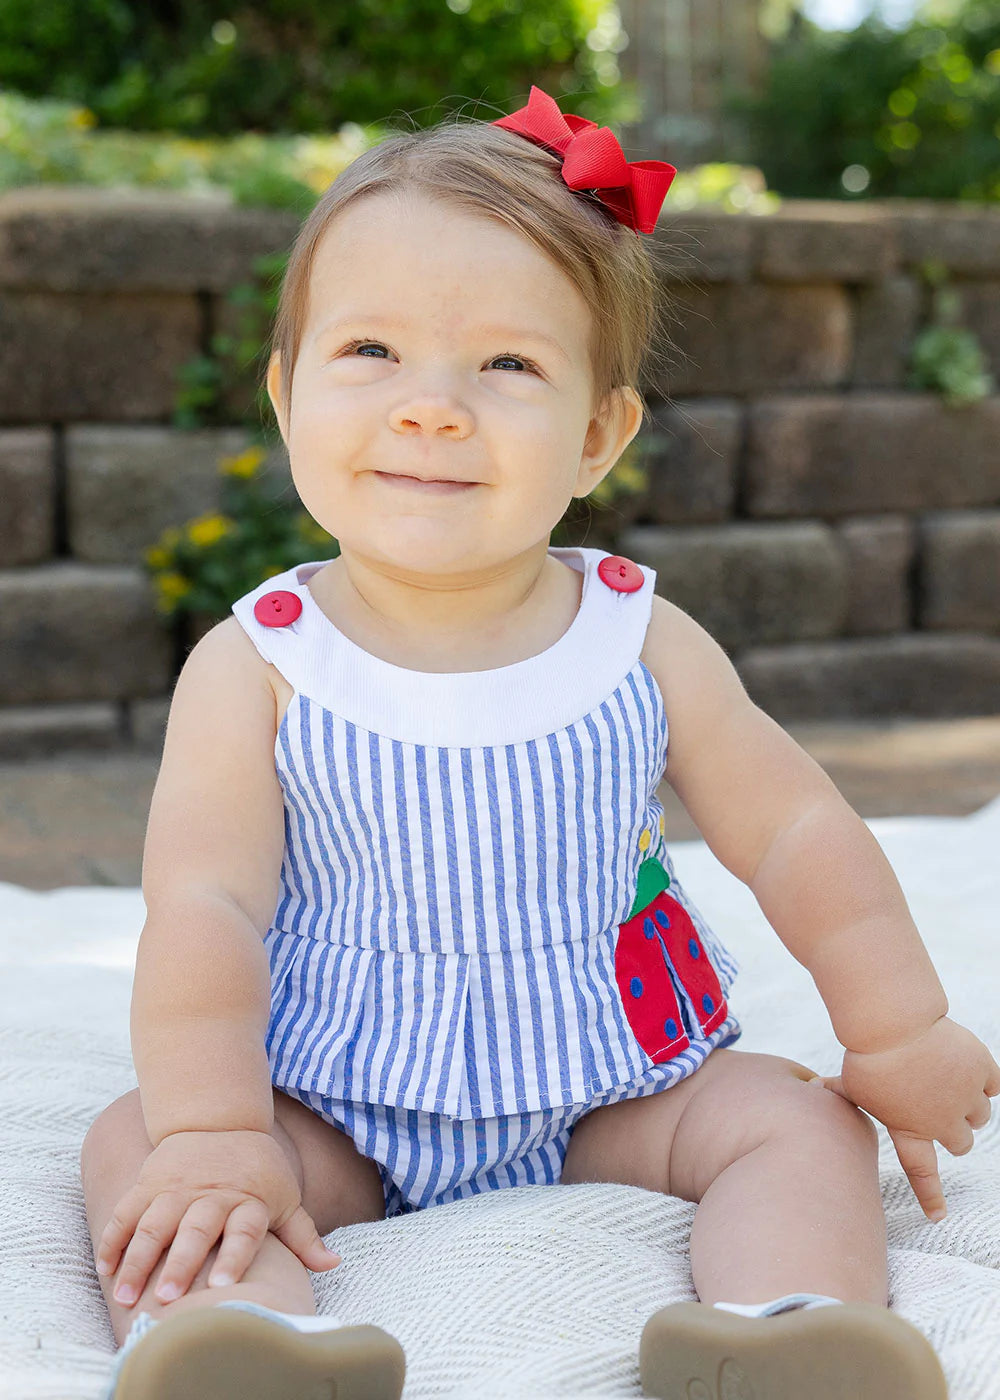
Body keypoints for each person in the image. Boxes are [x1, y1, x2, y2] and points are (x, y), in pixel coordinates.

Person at [79, 84, 998, 1400]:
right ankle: (255, 1348)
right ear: (286, 397)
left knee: (801, 1124)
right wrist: (219, 1129)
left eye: (506, 365)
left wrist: (899, 1026)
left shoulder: (637, 637)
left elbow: (795, 829)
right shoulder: (262, 662)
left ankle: (785, 1330)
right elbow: (208, 902)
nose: (431, 407)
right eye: (371, 354)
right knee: (148, 1147)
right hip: (339, 1087)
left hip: (618, 1080)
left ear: (597, 432)